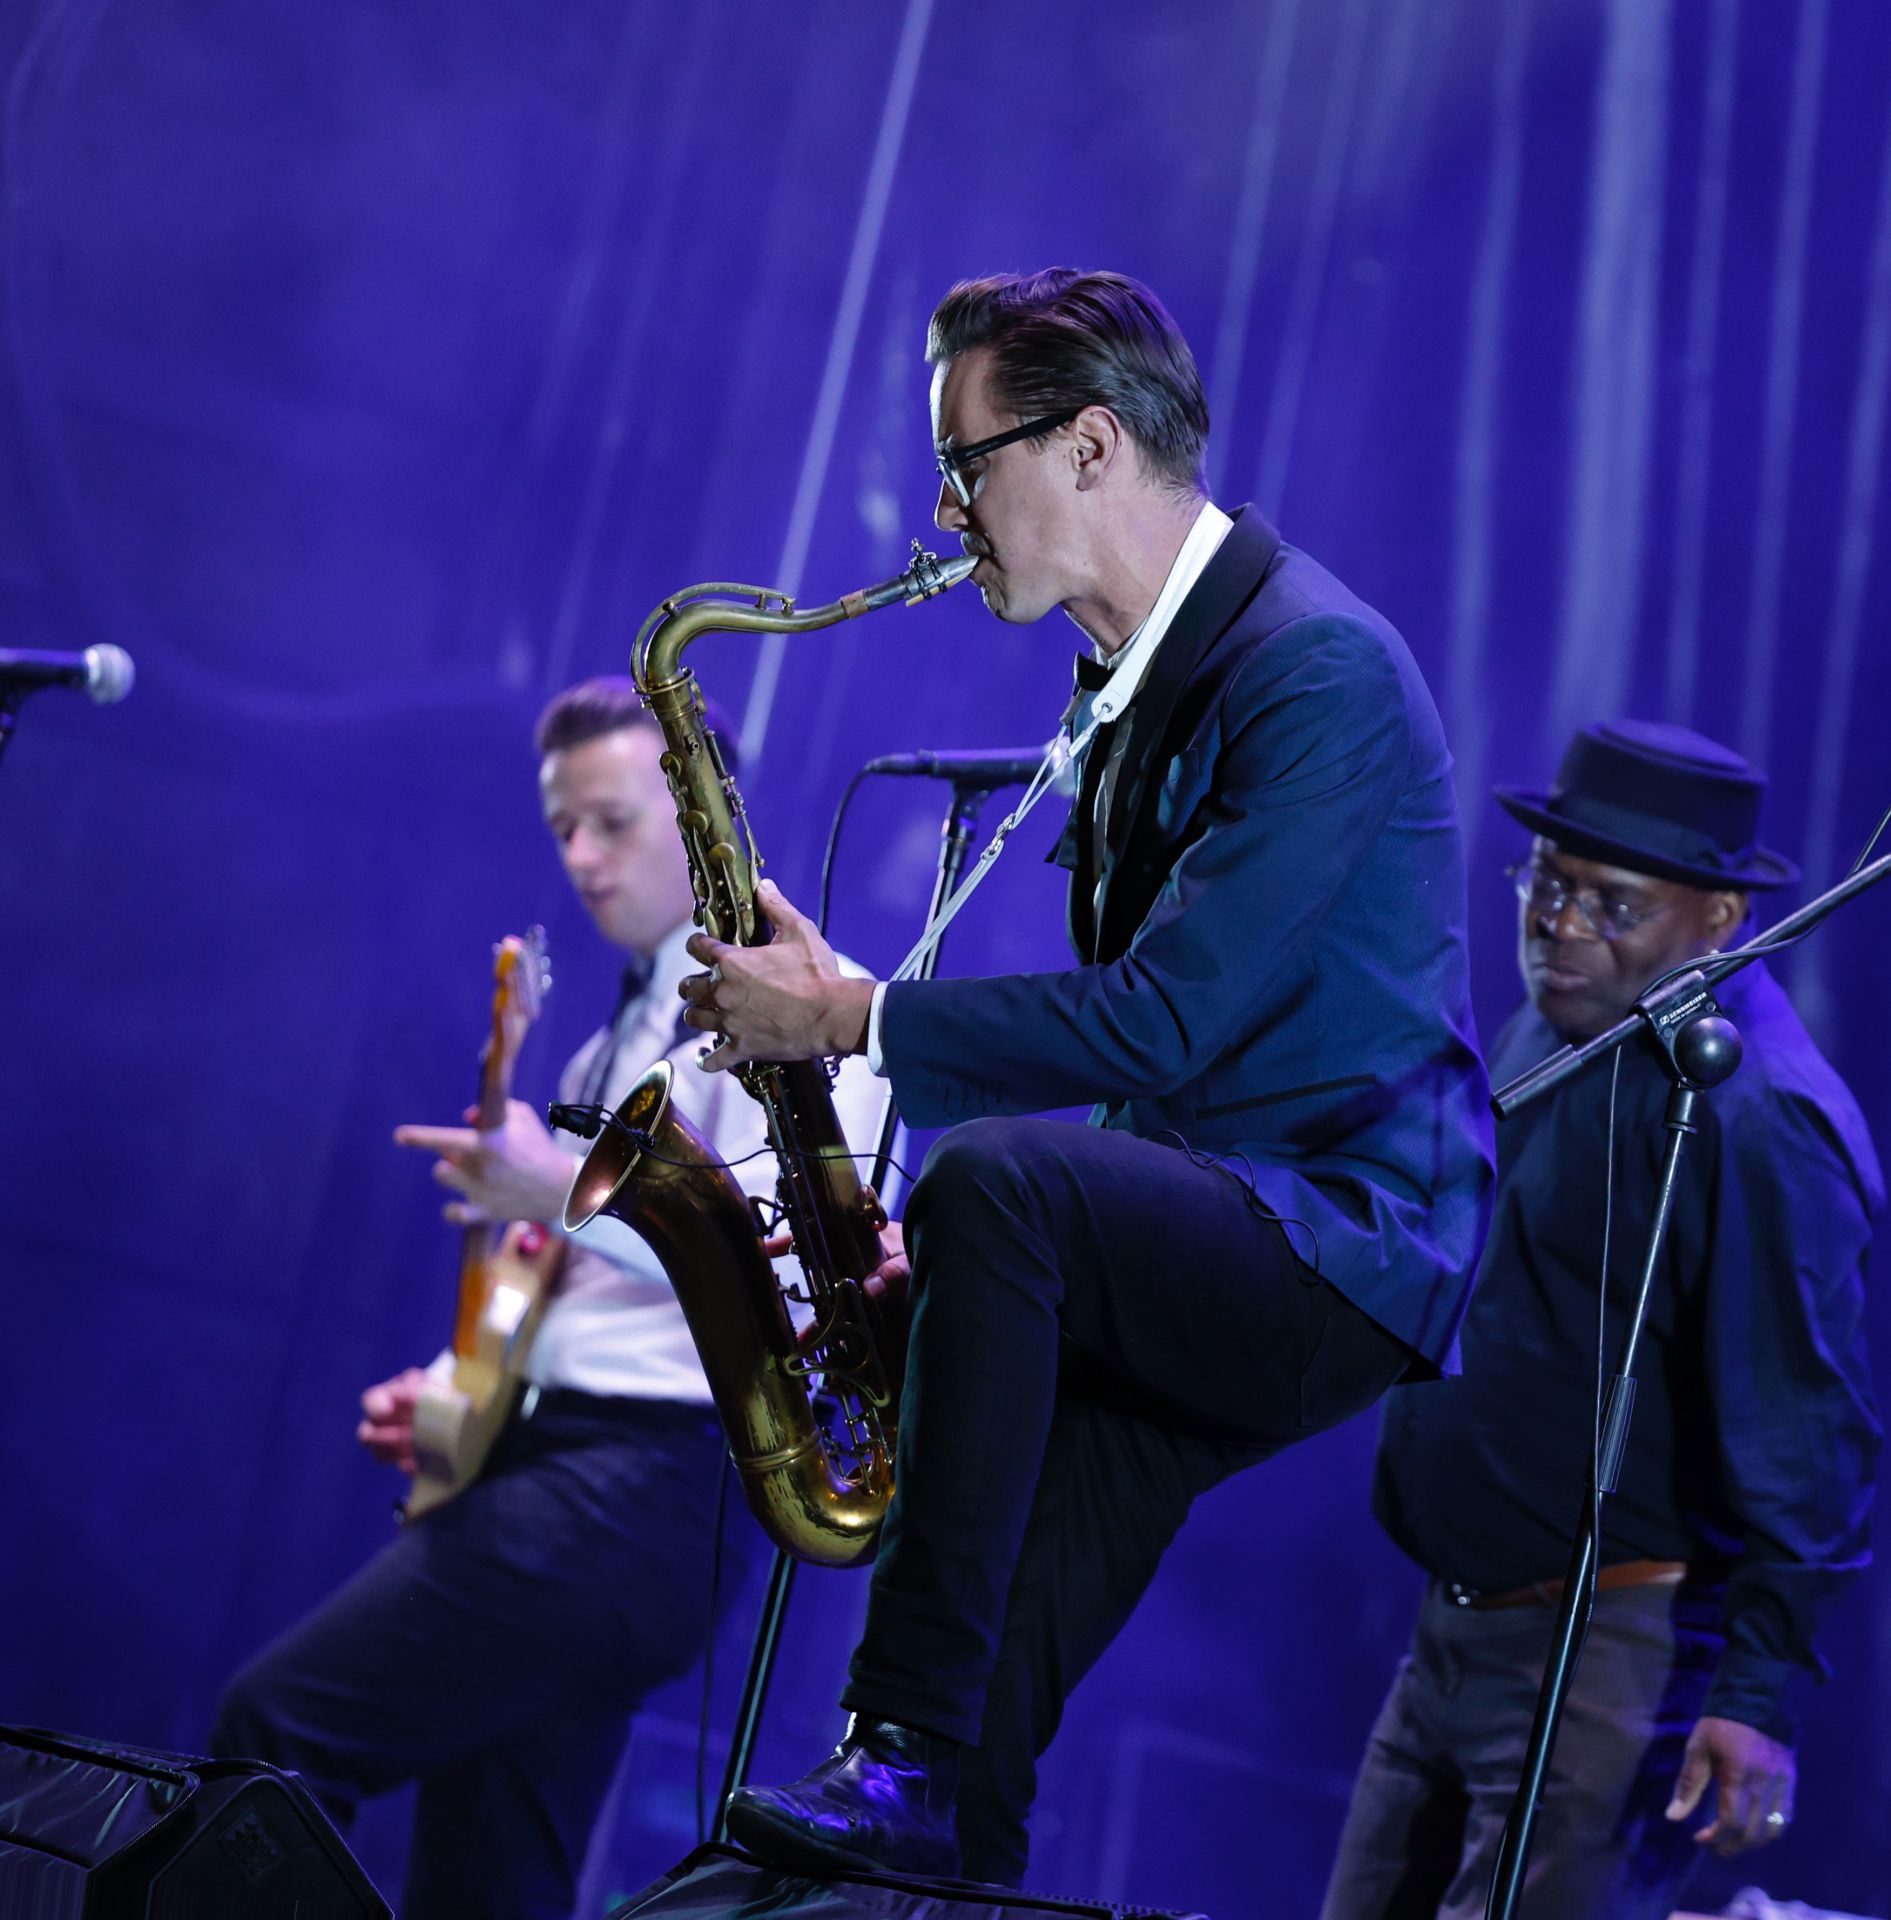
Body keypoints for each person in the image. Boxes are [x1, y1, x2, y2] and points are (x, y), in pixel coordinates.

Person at [673, 268, 1495, 1885]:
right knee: (988, 1733)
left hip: (1342, 1239)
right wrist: (1009, 1290)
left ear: (1092, 447)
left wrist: (849, 1021)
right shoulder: (1135, 684)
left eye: (966, 464)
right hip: (1224, 1215)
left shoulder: (1314, 669)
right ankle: (923, 1787)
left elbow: (1161, 1026)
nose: (946, 510)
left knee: (994, 1182)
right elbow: (1162, 1079)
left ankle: (895, 1746)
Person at [211, 679, 883, 1920]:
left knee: (276, 1728)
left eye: (613, 823)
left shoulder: (820, 1010)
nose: (580, 857)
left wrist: (557, 1184)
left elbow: (808, 1289)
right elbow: (572, 1309)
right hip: (564, 1470)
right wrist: (464, 1399)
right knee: (491, 1882)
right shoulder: (599, 1051)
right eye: (563, 829)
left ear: (700, 824)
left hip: (653, 1487)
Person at [1319, 720, 1882, 1920]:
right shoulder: (1561, 1025)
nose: (1562, 928)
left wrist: (1758, 1695)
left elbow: (1808, 1428)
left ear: (1721, 920)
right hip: (1454, 1631)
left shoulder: (1758, 1117)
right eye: (1550, 887)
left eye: (1613, 905)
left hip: (1608, 1653)